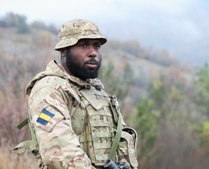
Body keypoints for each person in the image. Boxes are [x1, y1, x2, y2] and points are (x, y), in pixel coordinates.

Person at [13, 19, 138, 169]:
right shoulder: (48, 90)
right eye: (84, 45)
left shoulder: (97, 92)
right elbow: (59, 153)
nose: (93, 53)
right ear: (64, 50)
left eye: (96, 46)